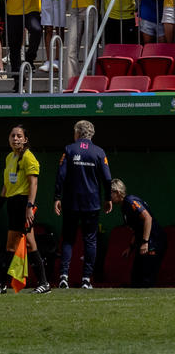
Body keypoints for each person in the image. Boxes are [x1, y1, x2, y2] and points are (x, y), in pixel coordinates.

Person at [0, 124, 50, 294]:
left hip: (24, 203)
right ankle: (2, 285)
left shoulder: (29, 157)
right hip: (12, 203)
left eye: (19, 136)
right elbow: (7, 186)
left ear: (25, 139)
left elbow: (33, 183)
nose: (15, 139)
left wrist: (30, 206)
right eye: (13, 136)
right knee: (11, 246)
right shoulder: (9, 158)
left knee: (29, 243)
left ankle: (44, 283)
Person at [54, 120, 112, 289]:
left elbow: (61, 176)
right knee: (90, 240)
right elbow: (107, 178)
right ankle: (86, 279)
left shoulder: (69, 149)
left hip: (71, 202)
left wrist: (57, 197)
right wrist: (108, 198)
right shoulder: (99, 152)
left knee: (68, 240)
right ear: (91, 134)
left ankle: (63, 276)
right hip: (92, 203)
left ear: (77, 133)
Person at [111, 178, 167, 288]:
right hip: (145, 242)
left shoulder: (130, 201)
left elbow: (148, 219)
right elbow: (136, 229)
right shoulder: (124, 207)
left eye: (110, 193)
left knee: (146, 279)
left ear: (117, 192)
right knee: (136, 278)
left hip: (154, 241)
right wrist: (130, 247)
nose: (108, 197)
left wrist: (145, 242)